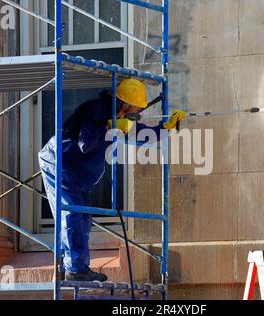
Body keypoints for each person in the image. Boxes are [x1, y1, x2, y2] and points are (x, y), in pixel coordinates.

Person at [38, 78, 185, 282]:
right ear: (123, 104)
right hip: (60, 163)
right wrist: (110, 127)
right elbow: (85, 144)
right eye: (133, 109)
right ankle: (74, 269)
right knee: (72, 213)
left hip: (78, 173)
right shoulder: (97, 110)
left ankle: (76, 266)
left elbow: (141, 135)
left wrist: (165, 127)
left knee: (84, 218)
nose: (135, 114)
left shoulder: (118, 116)